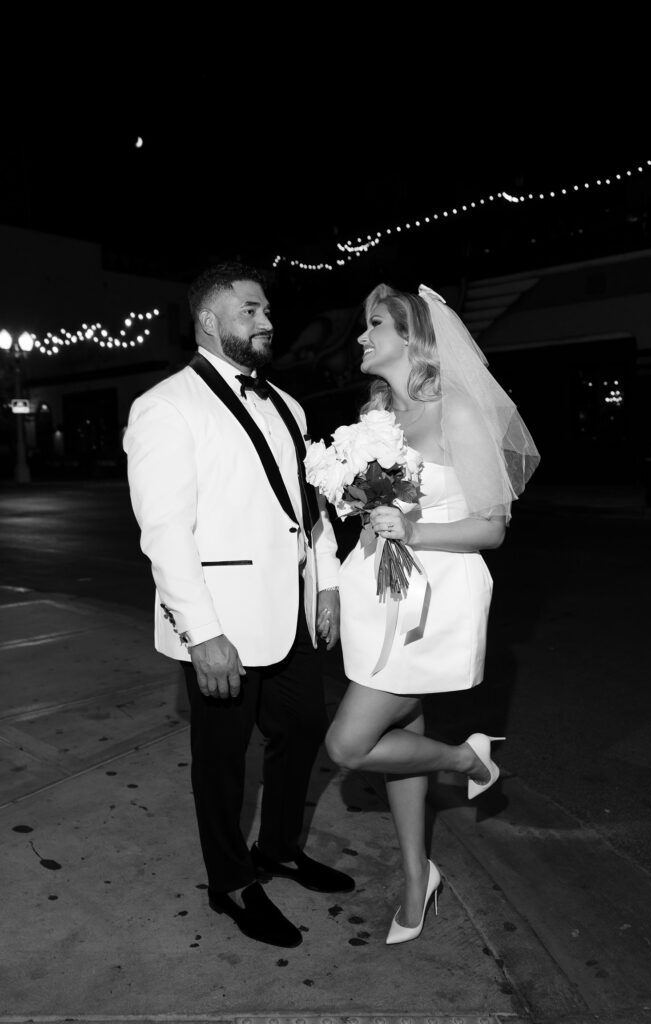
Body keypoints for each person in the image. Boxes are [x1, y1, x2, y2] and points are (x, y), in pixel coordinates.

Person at [123, 261, 353, 950]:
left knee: (304, 729)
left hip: (290, 612)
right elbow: (164, 534)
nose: (266, 320)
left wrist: (329, 582)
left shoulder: (289, 405)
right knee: (222, 761)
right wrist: (202, 634)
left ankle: (279, 847)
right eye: (250, 309)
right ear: (209, 320)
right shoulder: (164, 406)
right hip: (221, 621)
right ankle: (229, 881)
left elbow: (303, 512)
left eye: (266, 311)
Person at [325, 283, 539, 945]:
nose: (362, 336)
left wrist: (409, 531)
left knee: (348, 745)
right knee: (401, 725)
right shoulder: (378, 412)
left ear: (414, 336)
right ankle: (418, 878)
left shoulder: (459, 412)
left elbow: (490, 528)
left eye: (375, 324)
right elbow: (376, 504)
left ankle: (465, 758)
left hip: (431, 597)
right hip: (379, 594)